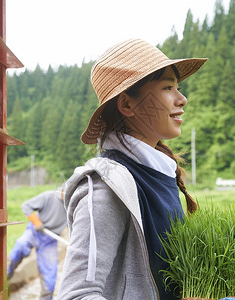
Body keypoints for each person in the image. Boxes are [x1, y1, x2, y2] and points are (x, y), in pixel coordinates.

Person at [56, 39, 208, 299]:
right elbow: (76, 294)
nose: (182, 99)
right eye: (168, 87)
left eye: (178, 87)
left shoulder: (159, 174)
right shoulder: (108, 187)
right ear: (127, 105)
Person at [7, 189, 67, 300]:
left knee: (49, 277)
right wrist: (36, 222)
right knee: (20, 247)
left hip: (50, 240)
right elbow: (26, 206)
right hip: (34, 232)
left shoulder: (72, 205)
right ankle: (4, 278)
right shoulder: (49, 196)